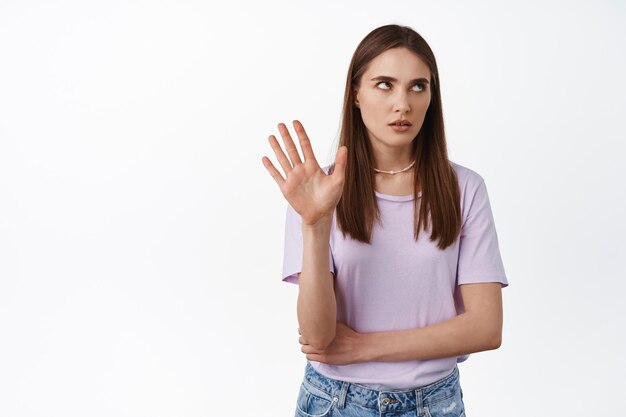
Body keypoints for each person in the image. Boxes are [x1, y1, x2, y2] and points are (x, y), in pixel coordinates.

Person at [261, 24, 508, 417]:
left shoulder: (465, 188)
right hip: (336, 402)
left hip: (434, 403)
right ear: (356, 94)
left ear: (431, 97)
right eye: (384, 85)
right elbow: (319, 337)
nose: (403, 103)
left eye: (417, 86)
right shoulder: (317, 192)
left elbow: (486, 327)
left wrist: (364, 346)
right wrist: (315, 223)